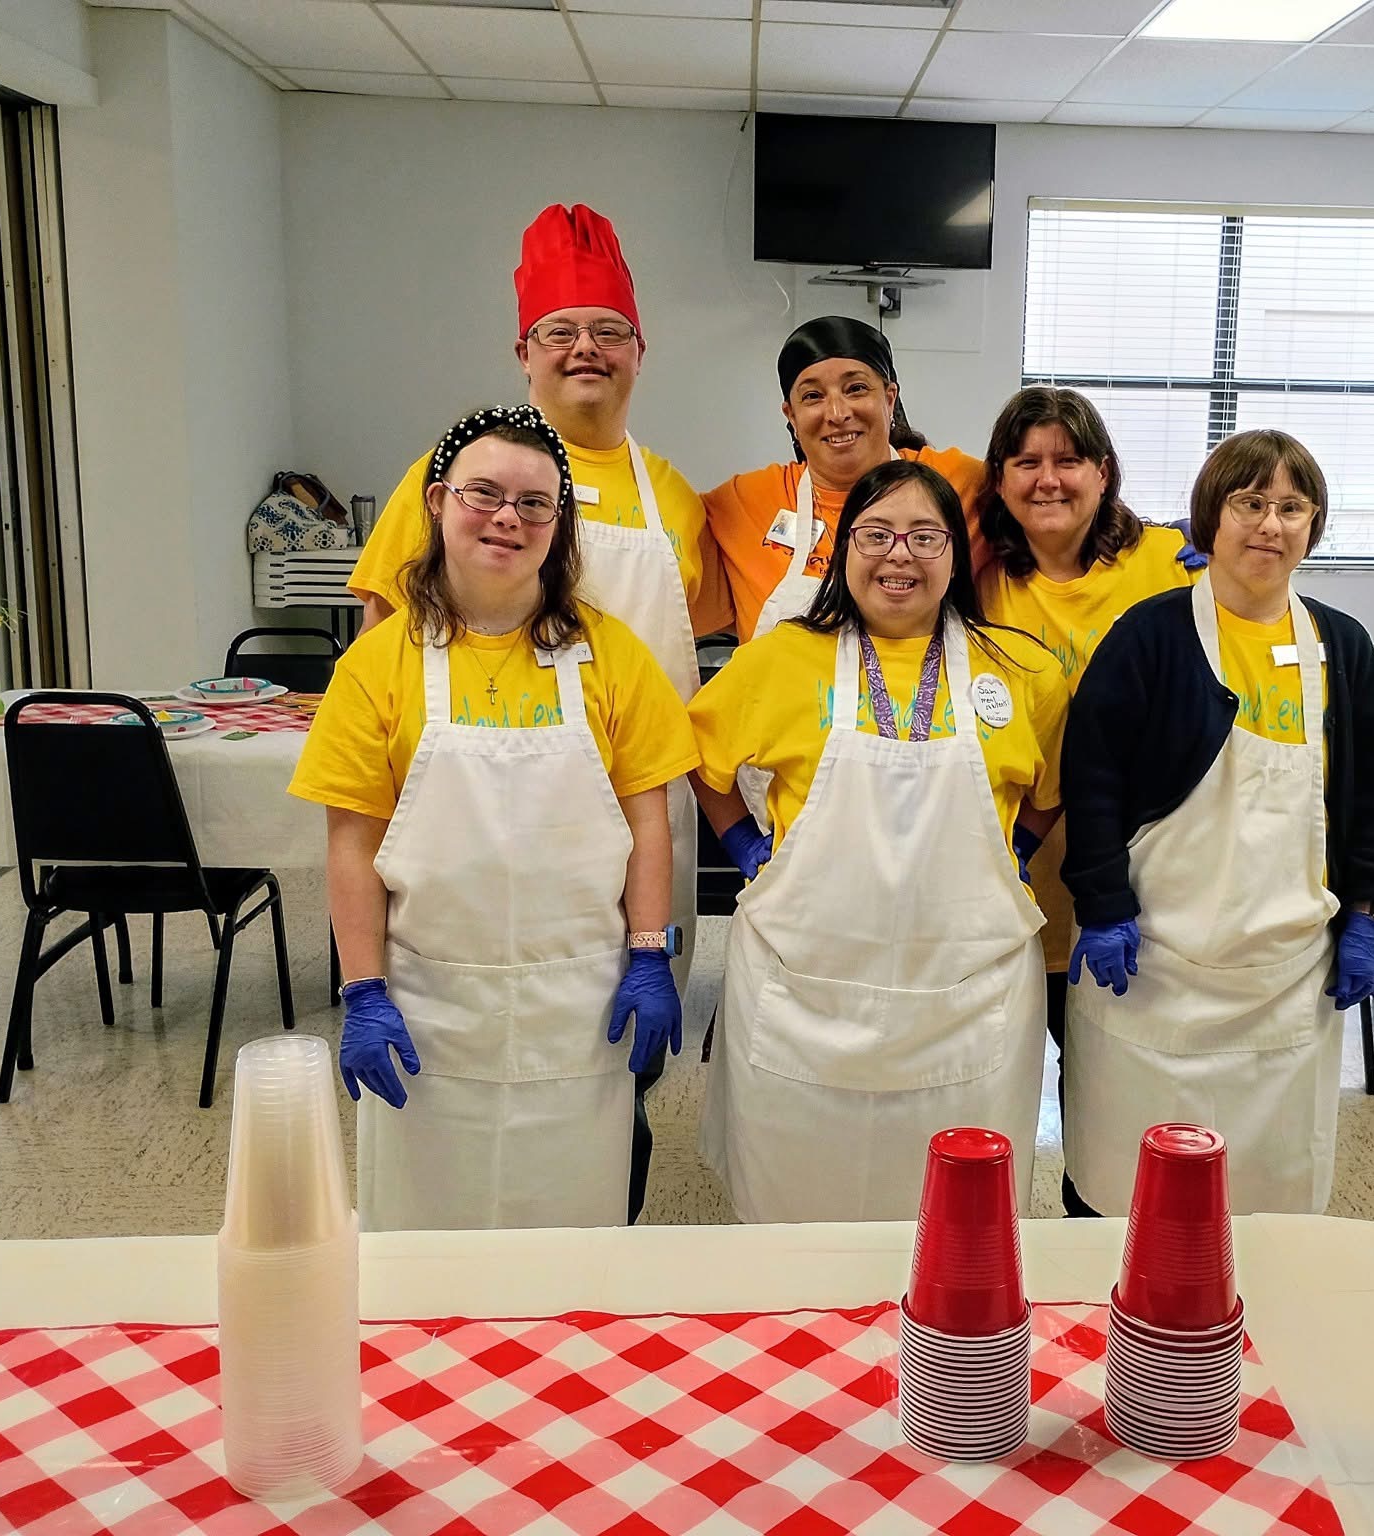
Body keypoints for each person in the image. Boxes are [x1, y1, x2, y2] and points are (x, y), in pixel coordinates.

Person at [344, 204, 716, 1217]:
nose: (584, 350)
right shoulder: (451, 474)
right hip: (461, 830)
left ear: (641, 351)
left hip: (632, 825)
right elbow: (389, 644)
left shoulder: (675, 499)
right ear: (523, 353)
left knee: (611, 1071)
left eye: (606, 330)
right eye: (560, 331)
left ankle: (610, 1225)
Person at [290, 405, 698, 1232]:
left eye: (534, 502)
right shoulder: (379, 662)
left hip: (581, 1007)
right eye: (484, 493)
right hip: (429, 1007)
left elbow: (647, 823)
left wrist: (650, 955)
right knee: (428, 1245)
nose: (508, 517)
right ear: (438, 502)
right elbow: (353, 841)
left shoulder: (614, 656)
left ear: (559, 523)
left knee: (571, 1234)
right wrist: (362, 988)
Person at [688, 458, 1069, 1222]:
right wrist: (744, 851)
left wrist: (1014, 855)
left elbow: (1050, 789)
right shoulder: (780, 659)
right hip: (806, 993)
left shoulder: (1022, 669)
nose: (900, 556)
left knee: (954, 1229)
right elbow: (702, 762)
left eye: (926, 537)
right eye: (877, 534)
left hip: (967, 999)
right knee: (797, 1212)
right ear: (843, 548)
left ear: (956, 556)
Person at [1059, 429, 1374, 1218]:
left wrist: (1367, 911)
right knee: (1130, 1192)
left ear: (1313, 526)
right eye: (1250, 503)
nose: (1270, 525)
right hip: (1155, 967)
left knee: (1268, 1198)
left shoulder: (1341, 647)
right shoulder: (1150, 637)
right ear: (1209, 518)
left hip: (1286, 979)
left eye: (1291, 507)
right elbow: (1095, 777)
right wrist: (1103, 902)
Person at [975, 385, 1200, 1041]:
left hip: (1150, 879)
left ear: (1103, 473)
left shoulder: (1167, 564)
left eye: (1069, 460)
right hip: (1027, 875)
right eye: (1026, 462)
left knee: (1132, 1083)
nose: (1048, 480)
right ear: (999, 480)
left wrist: (1229, 551)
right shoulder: (979, 583)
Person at [703, 316, 988, 644]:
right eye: (812, 396)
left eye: (856, 389)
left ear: (889, 398)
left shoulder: (962, 483)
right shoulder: (741, 503)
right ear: (791, 415)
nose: (837, 413)